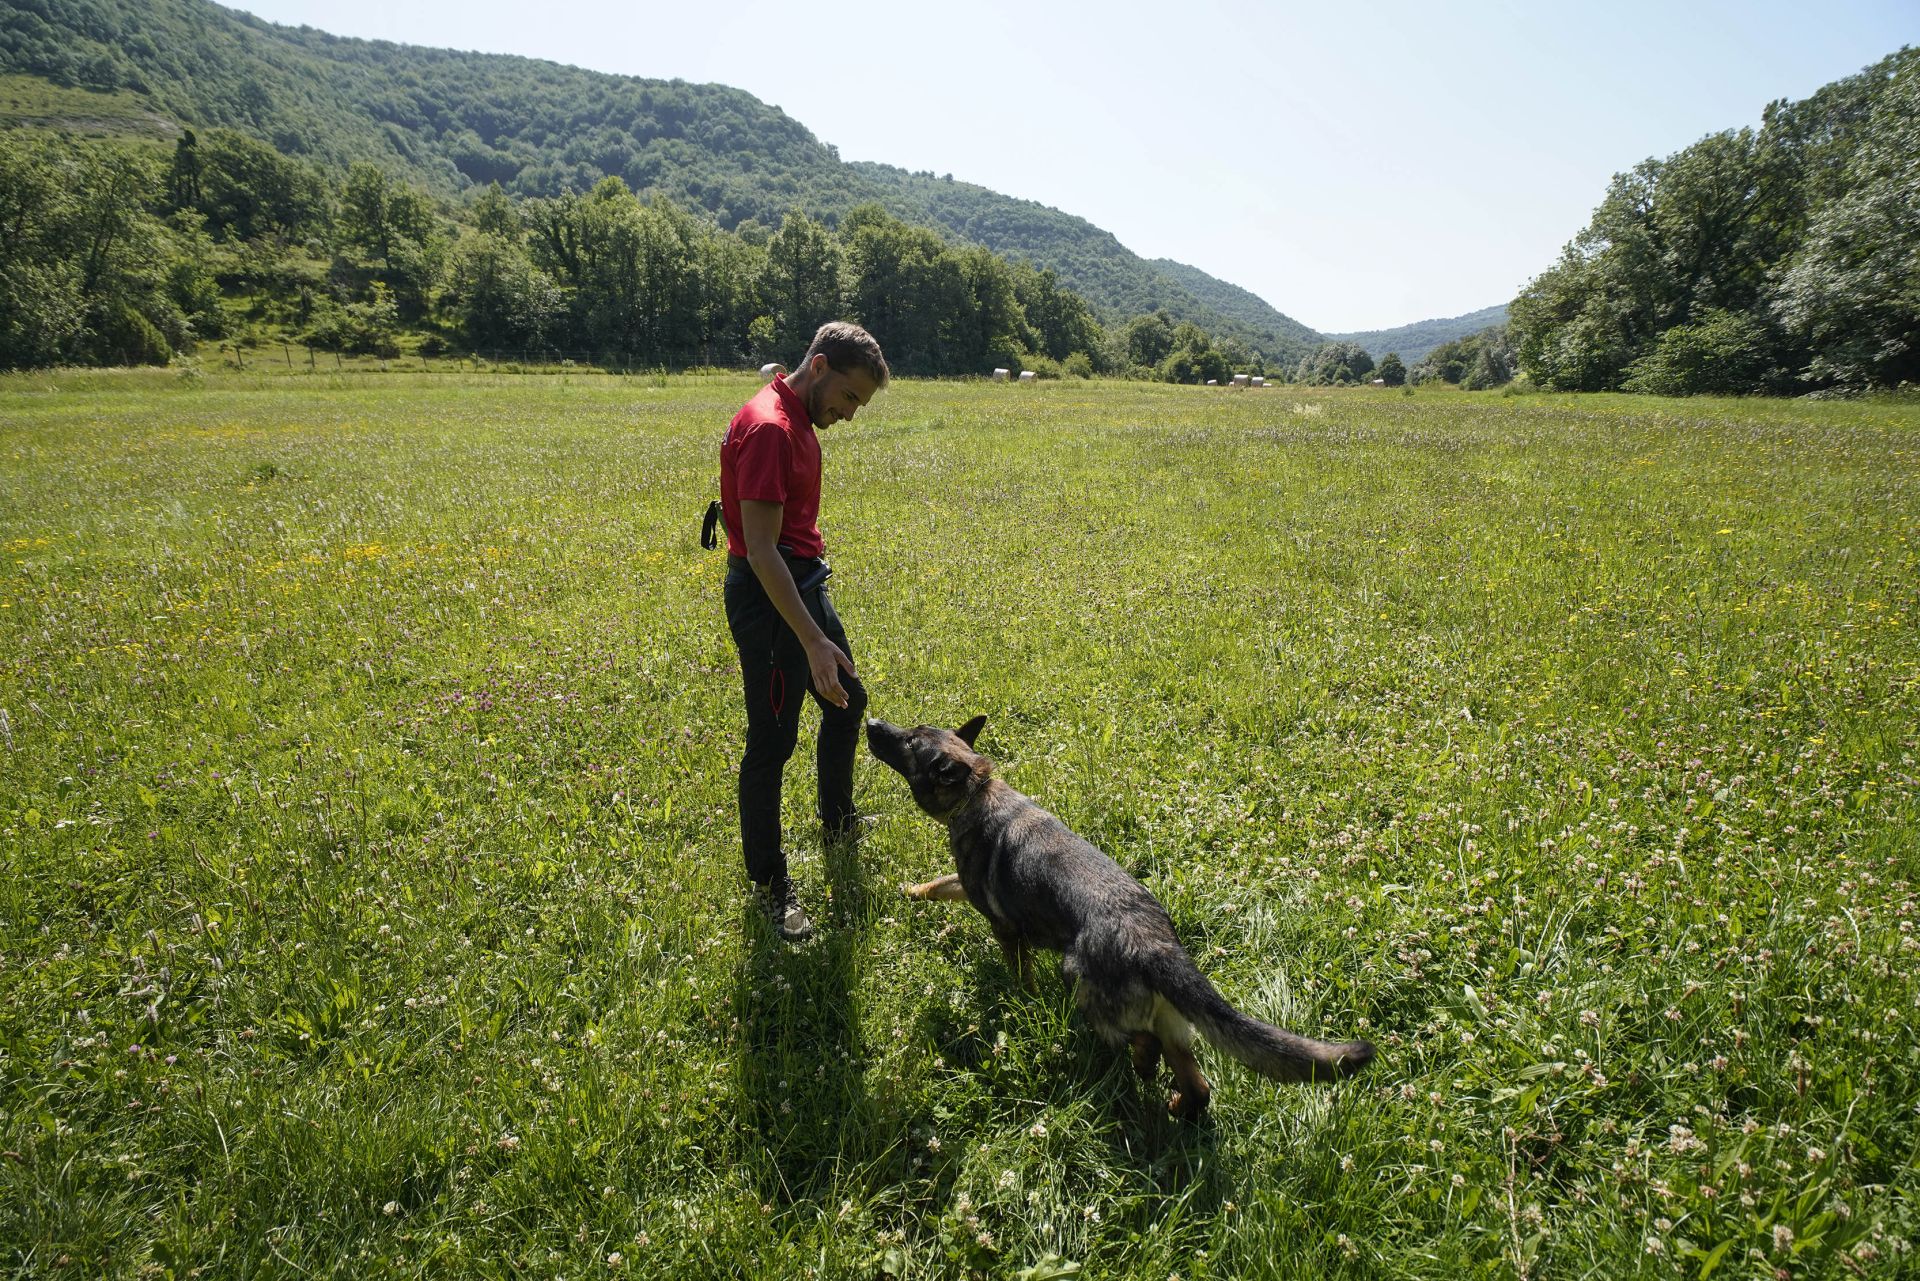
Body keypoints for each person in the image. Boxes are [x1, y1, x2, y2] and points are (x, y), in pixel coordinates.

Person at [720, 321, 888, 941]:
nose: (849, 414)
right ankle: (770, 886)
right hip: (771, 600)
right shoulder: (770, 428)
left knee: (848, 703)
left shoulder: (792, 412)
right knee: (773, 741)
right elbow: (761, 551)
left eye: (859, 406)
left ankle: (837, 821)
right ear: (818, 367)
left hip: (803, 582)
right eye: (849, 397)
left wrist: (819, 636)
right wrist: (814, 642)